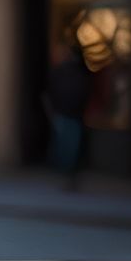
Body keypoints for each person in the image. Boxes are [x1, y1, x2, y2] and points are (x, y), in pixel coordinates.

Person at [45, 42, 91, 186]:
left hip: (71, 114)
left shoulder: (74, 72)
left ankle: (68, 174)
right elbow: (49, 93)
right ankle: (66, 174)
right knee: (66, 147)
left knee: (69, 147)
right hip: (67, 114)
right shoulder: (63, 72)